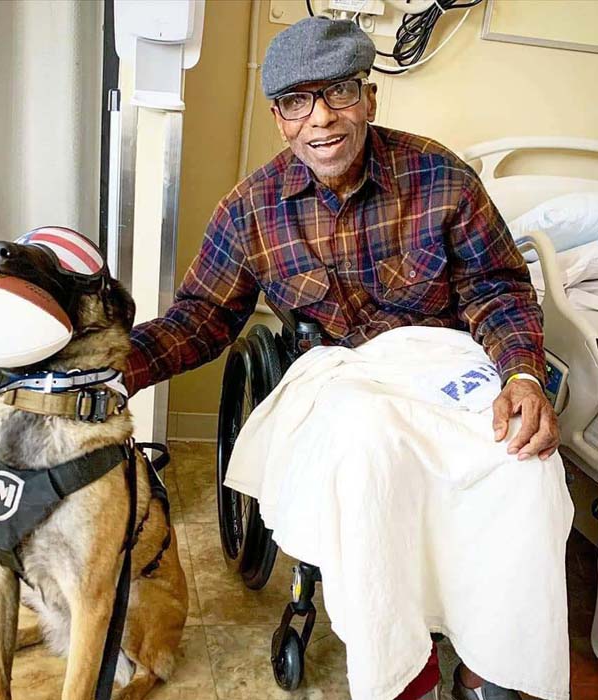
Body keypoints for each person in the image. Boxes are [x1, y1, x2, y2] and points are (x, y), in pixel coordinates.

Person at [125, 17, 572, 700]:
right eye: (299, 102)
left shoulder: (440, 176)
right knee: (369, 456)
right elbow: (201, 319)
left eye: (338, 93)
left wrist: (521, 374)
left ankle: (494, 670)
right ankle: (403, 668)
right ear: (279, 118)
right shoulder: (251, 210)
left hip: (444, 362)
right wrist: (108, 367)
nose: (323, 119)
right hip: (339, 374)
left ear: (369, 97)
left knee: (522, 464)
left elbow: (498, 287)